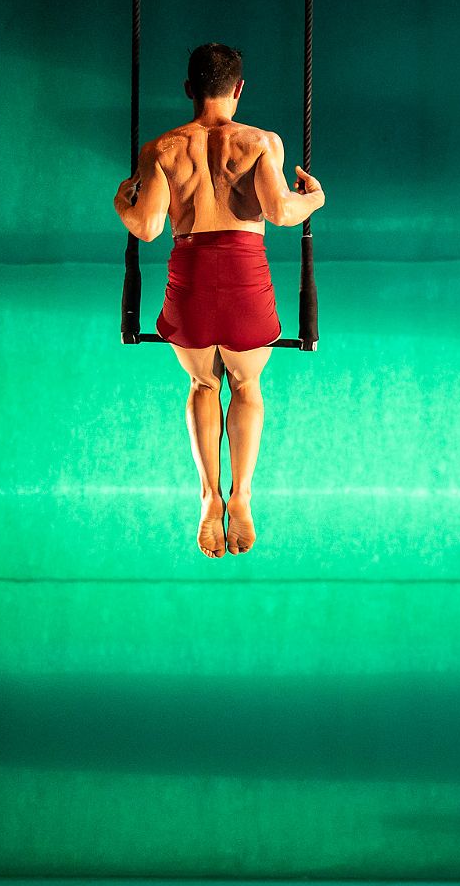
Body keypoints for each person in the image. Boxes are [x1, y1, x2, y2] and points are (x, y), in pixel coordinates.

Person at [112, 42, 325, 558]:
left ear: (189, 89)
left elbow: (147, 227)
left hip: (189, 282)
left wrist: (121, 201)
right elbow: (281, 212)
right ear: (239, 89)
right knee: (246, 386)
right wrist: (315, 198)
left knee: (203, 383)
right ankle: (242, 496)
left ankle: (210, 497)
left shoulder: (162, 148)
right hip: (245, 280)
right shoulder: (261, 142)